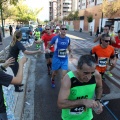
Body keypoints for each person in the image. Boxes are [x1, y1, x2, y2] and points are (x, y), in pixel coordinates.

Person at [57, 54, 103, 120]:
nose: (89, 77)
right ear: (78, 68)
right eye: (85, 73)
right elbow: (61, 104)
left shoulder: (96, 75)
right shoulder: (69, 79)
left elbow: (99, 87)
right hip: (69, 118)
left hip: (87, 117)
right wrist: (83, 101)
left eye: (92, 72)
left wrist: (98, 100)